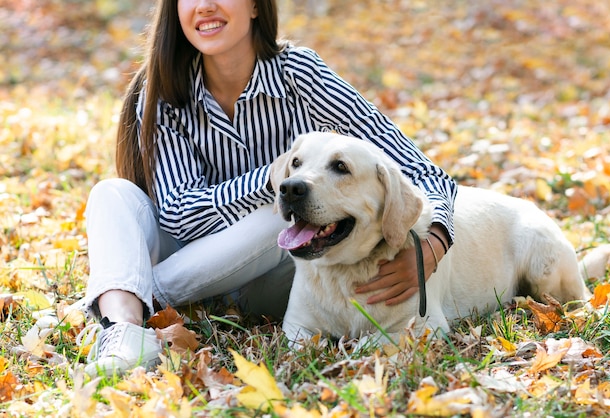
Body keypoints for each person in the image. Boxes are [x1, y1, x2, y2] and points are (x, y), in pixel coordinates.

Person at [78, 0, 457, 377]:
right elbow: (179, 215)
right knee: (111, 194)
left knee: (277, 216)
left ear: (257, 6)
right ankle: (124, 333)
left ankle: (126, 290)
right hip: (192, 261)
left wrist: (433, 246)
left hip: (274, 270)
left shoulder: (300, 74)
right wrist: (275, 180)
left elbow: (422, 171)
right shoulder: (164, 89)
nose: (205, 6)